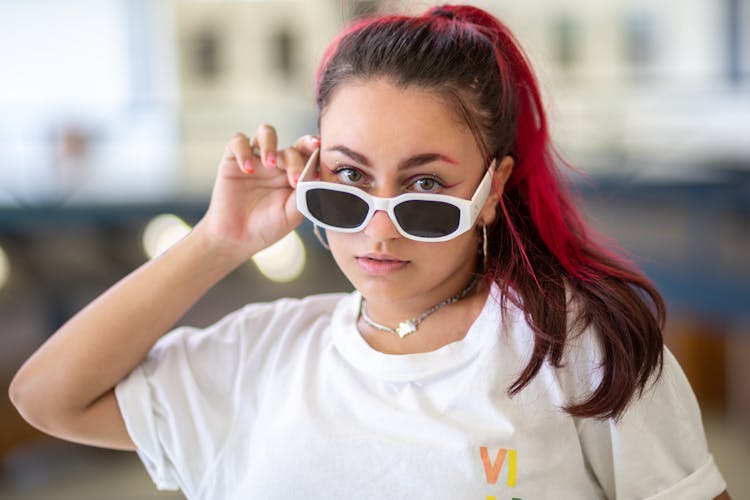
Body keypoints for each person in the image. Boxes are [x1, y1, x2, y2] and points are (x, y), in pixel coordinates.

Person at [9, 4, 730, 499]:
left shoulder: (573, 348)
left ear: (493, 185)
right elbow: (46, 398)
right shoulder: (263, 357)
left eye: (424, 187)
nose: (379, 231)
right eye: (349, 180)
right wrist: (214, 243)